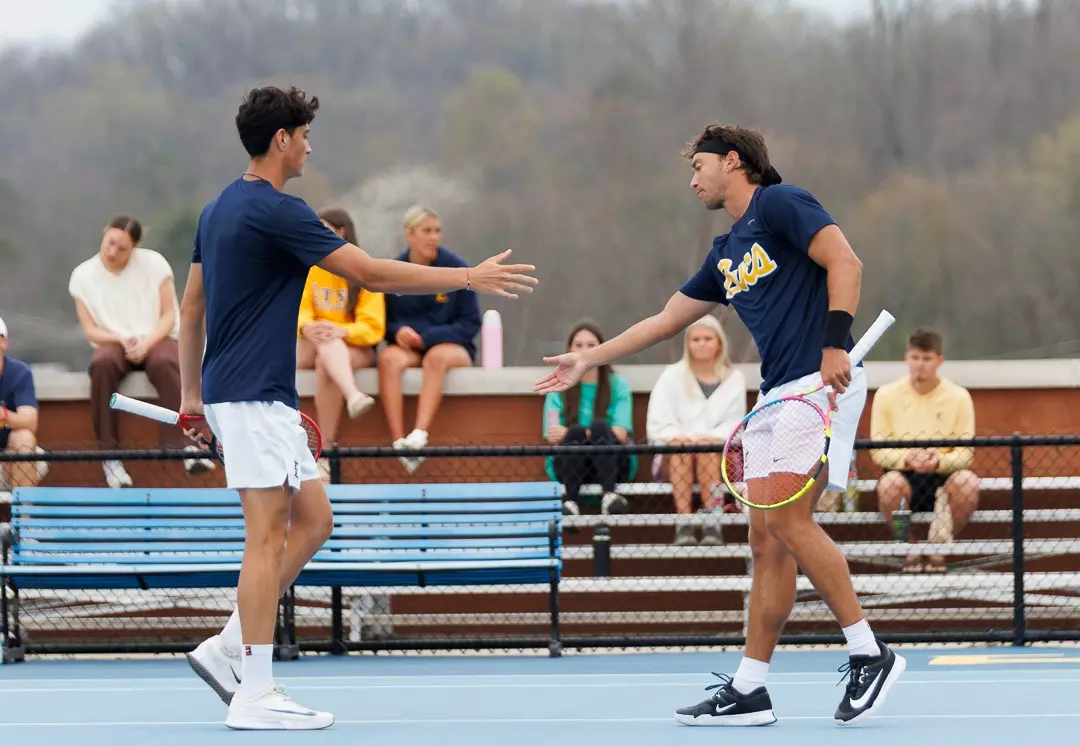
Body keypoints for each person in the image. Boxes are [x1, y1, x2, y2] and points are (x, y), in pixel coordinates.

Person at [178, 85, 536, 730]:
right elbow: (370, 273)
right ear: (281, 139)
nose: (311, 145)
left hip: (255, 396)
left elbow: (191, 308)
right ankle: (254, 693)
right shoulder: (276, 210)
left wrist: (189, 396)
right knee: (264, 540)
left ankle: (228, 645)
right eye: (305, 135)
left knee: (315, 521)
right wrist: (467, 278)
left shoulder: (216, 209)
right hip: (253, 396)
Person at [536, 123, 905, 727]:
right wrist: (588, 358)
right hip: (779, 391)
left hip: (818, 382)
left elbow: (846, 262)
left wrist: (835, 345)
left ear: (733, 161)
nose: (692, 178)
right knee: (766, 543)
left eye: (699, 166)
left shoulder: (781, 203)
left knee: (788, 520)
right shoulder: (724, 252)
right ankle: (751, 688)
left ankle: (870, 651)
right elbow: (662, 321)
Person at [69, 216, 214, 486]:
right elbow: (90, 329)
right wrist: (120, 340)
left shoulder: (154, 264)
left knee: (166, 362)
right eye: (110, 243)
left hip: (157, 337)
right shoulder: (82, 276)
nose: (113, 252)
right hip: (114, 341)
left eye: (122, 248)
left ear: (134, 248)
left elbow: (169, 315)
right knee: (101, 365)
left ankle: (188, 446)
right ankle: (111, 459)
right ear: (104, 234)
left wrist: (147, 343)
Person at [377, 205, 482, 472]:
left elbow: (470, 323)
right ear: (409, 234)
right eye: (427, 231)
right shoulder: (394, 270)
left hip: (451, 348)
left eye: (437, 231)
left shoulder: (457, 269)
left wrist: (429, 337)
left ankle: (419, 435)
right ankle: (399, 442)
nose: (433, 237)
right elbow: (383, 321)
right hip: (409, 348)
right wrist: (397, 332)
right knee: (388, 359)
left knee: (436, 358)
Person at [871, 328, 979, 573]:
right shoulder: (886, 395)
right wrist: (907, 458)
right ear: (906, 357)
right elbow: (877, 450)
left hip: (944, 479)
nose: (920, 364)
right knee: (889, 485)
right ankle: (908, 548)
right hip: (901, 476)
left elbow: (966, 454)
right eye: (915, 357)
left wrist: (938, 461)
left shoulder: (959, 397)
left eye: (927, 358)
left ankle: (937, 551)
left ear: (939, 360)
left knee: (968, 483)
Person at [296, 206, 385, 479]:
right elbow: (300, 309)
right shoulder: (311, 267)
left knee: (327, 358)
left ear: (341, 231)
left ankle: (322, 452)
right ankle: (353, 395)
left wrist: (341, 331)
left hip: (356, 348)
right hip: (313, 342)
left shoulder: (364, 270)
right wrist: (309, 326)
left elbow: (373, 327)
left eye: (323, 227)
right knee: (321, 346)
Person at [645, 314, 747, 544]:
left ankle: (713, 523)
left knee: (706, 448)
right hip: (676, 454)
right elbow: (659, 419)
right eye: (696, 339)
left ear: (719, 342)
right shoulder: (671, 376)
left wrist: (709, 438)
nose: (701, 344)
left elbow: (735, 424)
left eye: (707, 338)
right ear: (688, 344)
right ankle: (685, 523)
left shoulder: (735, 379)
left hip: (720, 454)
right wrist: (679, 437)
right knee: (682, 446)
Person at [543, 320, 634, 516]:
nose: (585, 350)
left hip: (614, 465)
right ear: (569, 350)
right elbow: (552, 436)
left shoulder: (618, 385)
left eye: (591, 345)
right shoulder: (558, 387)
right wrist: (572, 434)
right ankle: (571, 503)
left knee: (599, 427)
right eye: (578, 345)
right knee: (575, 432)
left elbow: (621, 434)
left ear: (603, 349)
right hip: (571, 466)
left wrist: (570, 433)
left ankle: (610, 496)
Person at [0, 317, 47, 490]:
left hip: (9, 458)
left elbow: (30, 421)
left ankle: (25, 514)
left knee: (24, 437)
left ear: (4, 342)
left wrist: (4, 415)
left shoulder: (19, 372)